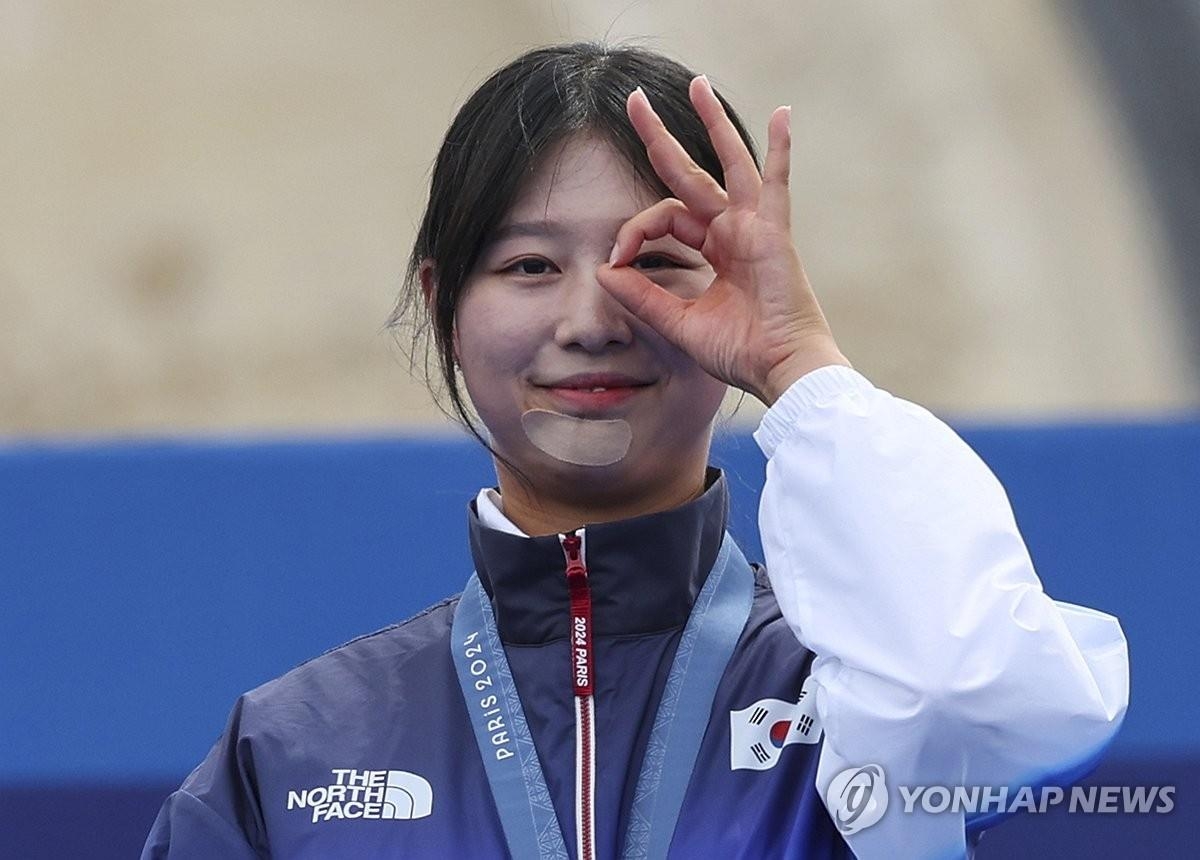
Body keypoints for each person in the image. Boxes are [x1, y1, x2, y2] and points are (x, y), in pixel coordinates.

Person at [142, 43, 1129, 859]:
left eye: (654, 261)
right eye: (529, 265)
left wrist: (802, 368)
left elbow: (998, 693)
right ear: (445, 307)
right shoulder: (294, 750)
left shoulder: (861, 693)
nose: (590, 318)